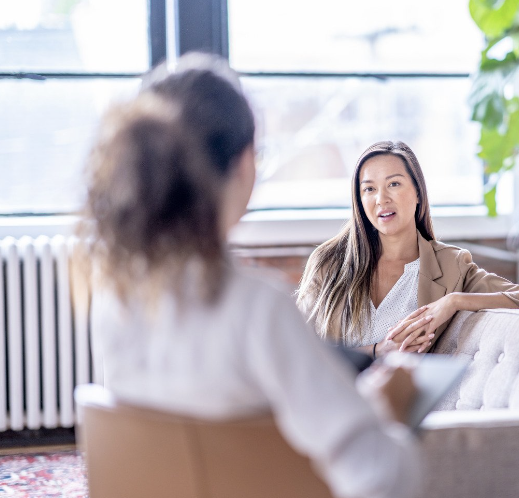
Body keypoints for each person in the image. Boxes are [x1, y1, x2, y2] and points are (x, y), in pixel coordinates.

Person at [80, 54, 422, 498]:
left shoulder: (115, 297)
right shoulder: (257, 307)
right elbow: (381, 477)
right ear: (244, 165)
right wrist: (385, 413)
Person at [297, 141, 519, 358]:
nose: (381, 199)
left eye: (394, 184)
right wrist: (378, 351)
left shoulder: (450, 265)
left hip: (409, 411)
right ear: (360, 200)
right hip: (336, 405)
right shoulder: (329, 262)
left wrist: (454, 301)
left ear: (418, 192)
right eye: (369, 189)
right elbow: (295, 348)